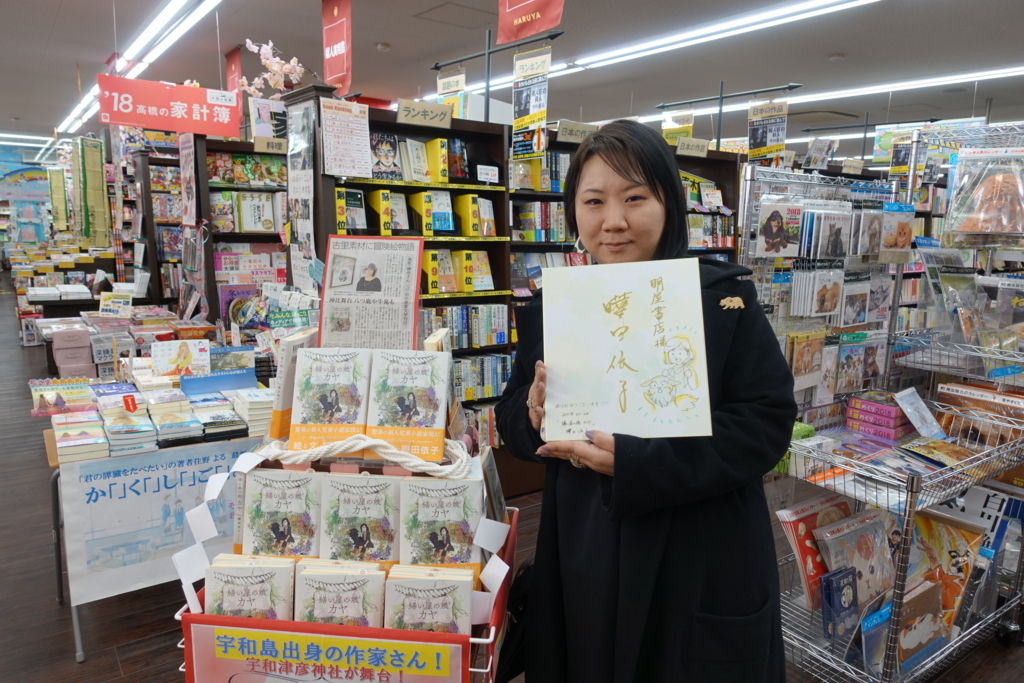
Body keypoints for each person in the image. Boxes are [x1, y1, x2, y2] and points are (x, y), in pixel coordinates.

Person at [494, 120, 796, 683]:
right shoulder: (556, 306)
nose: (613, 221)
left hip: (696, 542)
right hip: (584, 536)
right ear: (573, 212)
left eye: (635, 197)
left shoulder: (723, 300)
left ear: (670, 203)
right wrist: (531, 413)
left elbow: (766, 422)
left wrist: (643, 462)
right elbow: (511, 415)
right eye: (594, 201)